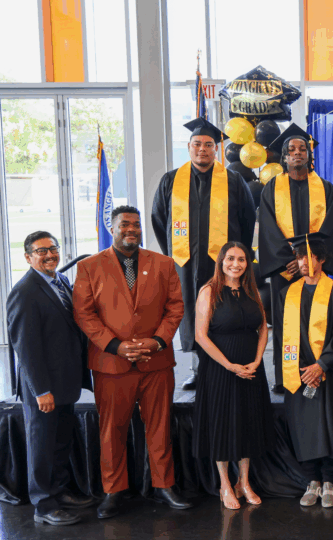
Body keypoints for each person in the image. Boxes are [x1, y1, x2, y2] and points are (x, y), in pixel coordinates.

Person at [72, 206, 193, 518]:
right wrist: (116, 346)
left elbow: (175, 307)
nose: (132, 230)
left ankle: (164, 486)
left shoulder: (164, 264)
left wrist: (157, 341)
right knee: (112, 430)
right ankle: (113, 491)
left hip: (157, 362)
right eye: (125, 224)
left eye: (137, 225)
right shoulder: (88, 267)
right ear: (111, 228)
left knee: (160, 426)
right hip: (112, 365)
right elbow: (84, 314)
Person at [151, 117, 257, 390]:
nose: (202, 149)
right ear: (188, 147)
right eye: (197, 144)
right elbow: (159, 220)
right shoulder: (171, 181)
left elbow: (246, 221)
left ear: (216, 149)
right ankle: (199, 370)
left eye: (208, 145)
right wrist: (176, 254)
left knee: (223, 312)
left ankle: (225, 364)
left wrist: (236, 260)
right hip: (185, 262)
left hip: (223, 265)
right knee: (191, 312)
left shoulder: (233, 180)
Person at [7, 232, 95, 526]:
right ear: (28, 257)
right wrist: (40, 390)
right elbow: (26, 348)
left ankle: (60, 491)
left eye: (53, 249)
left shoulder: (61, 282)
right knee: (42, 445)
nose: (49, 255)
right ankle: (44, 505)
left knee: (60, 441)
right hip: (43, 387)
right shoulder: (25, 291)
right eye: (40, 251)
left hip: (65, 382)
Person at [274, 232, 333, 509]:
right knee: (304, 426)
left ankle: (330, 481)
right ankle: (312, 481)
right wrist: (294, 371)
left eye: (308, 257)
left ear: (321, 259)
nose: (303, 262)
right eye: (299, 257)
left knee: (332, 425)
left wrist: (321, 365)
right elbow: (282, 338)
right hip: (299, 373)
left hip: (328, 373)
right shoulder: (286, 293)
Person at [192, 241, 274, 510]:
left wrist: (258, 360)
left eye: (241, 259)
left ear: (247, 263)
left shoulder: (252, 291)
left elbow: (263, 328)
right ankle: (225, 484)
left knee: (248, 423)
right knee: (222, 425)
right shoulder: (208, 291)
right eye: (230, 259)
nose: (235, 264)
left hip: (250, 368)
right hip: (220, 369)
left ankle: (244, 482)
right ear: (221, 261)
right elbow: (200, 336)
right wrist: (228, 365)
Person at [258, 124, 333, 393]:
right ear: (283, 156)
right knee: (285, 323)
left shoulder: (325, 187)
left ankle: (318, 370)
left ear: (309, 154)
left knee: (319, 320)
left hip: (317, 268)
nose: (297, 153)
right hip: (286, 270)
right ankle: (285, 376)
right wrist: (289, 260)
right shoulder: (271, 188)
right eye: (291, 150)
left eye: (302, 149)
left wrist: (313, 260)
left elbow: (330, 227)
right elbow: (268, 228)